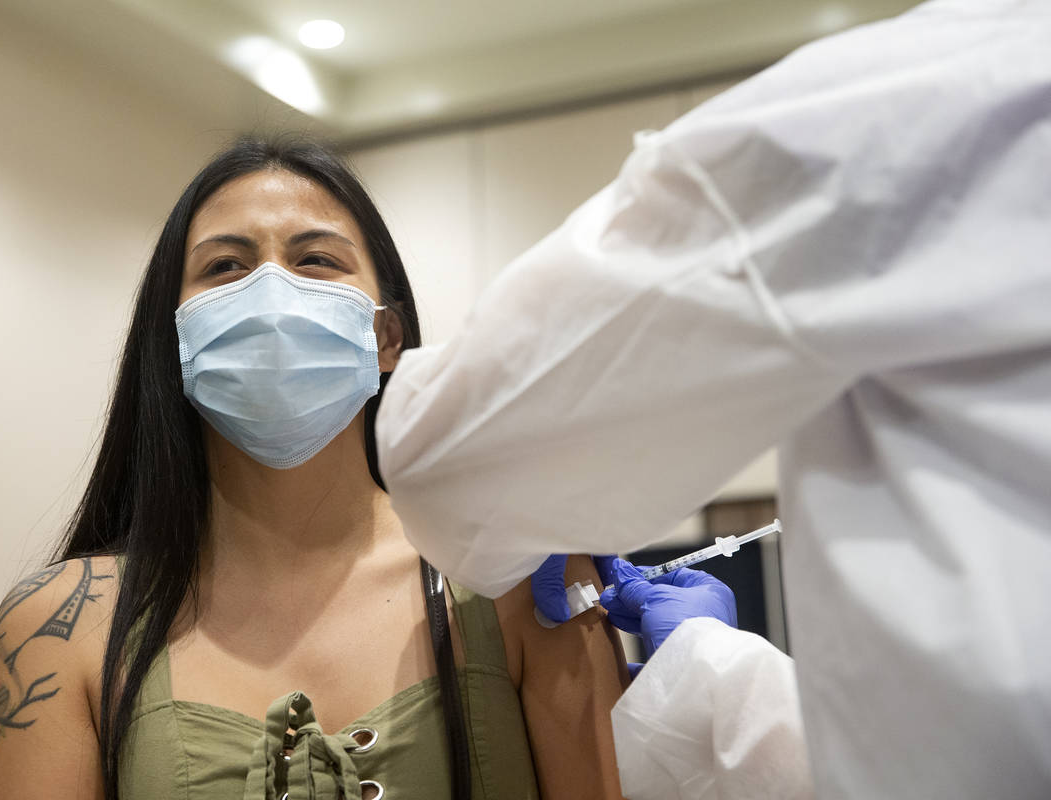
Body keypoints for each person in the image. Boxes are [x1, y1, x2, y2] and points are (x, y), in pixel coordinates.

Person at [373, 1, 1051, 797]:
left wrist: (710, 665)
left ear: (389, 332)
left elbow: (446, 457)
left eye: (317, 260)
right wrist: (713, 666)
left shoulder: (939, 96)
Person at [0, 138, 631, 800]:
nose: (272, 293)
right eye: (227, 266)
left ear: (386, 337)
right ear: (175, 338)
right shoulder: (61, 626)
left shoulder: (521, 583)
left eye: (316, 260)